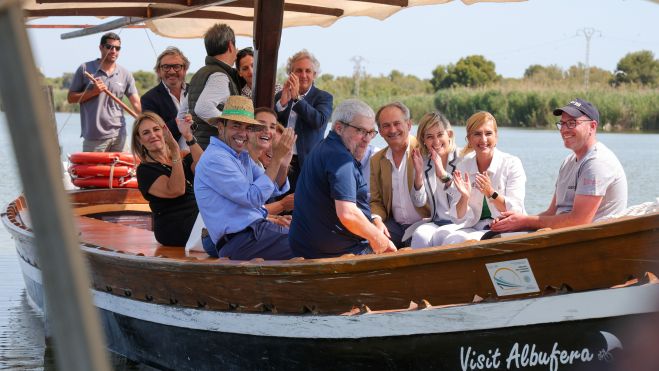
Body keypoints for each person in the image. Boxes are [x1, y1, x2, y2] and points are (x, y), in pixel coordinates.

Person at [490, 98, 627, 233]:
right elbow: (552, 212)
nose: (564, 130)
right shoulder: (568, 162)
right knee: (497, 234)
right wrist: (514, 221)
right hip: (565, 237)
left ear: (592, 126)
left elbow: (579, 221)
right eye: (562, 123)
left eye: (572, 123)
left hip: (592, 240)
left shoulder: (597, 163)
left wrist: (524, 222)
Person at [289, 99, 396, 259]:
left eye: (370, 133)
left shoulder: (323, 147)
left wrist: (373, 222)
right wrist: (378, 239)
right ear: (339, 127)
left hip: (306, 247)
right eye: (361, 131)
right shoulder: (340, 158)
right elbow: (348, 214)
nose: (367, 139)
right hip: (335, 254)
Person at [195, 96, 295, 260]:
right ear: (221, 128)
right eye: (236, 126)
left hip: (252, 236)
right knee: (309, 242)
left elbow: (274, 188)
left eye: (248, 127)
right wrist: (276, 158)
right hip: (242, 240)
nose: (242, 133)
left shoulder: (241, 156)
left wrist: (283, 164)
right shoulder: (216, 158)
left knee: (312, 237)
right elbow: (253, 197)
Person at [442, 111, 526, 244]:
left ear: (496, 137)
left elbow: (516, 210)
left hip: (505, 228)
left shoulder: (512, 163)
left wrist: (491, 193)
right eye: (477, 134)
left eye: (488, 133)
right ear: (469, 139)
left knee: (461, 242)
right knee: (449, 240)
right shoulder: (463, 166)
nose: (483, 140)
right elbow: (458, 218)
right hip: (474, 227)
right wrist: (464, 197)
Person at [131, 111, 202, 246]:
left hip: (198, 218)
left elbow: (206, 169)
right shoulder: (145, 170)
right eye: (146, 133)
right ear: (140, 140)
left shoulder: (183, 155)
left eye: (156, 129)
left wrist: (188, 136)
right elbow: (176, 190)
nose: (153, 135)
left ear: (164, 131)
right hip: (174, 226)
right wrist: (174, 150)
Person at [68, 32, 141, 152]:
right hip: (94, 136)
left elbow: (136, 103)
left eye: (117, 48)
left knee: (121, 170)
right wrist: (93, 92)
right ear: (101, 47)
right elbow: (71, 98)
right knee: (94, 171)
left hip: (119, 135)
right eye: (109, 47)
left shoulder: (125, 74)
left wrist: (147, 120)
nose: (113, 51)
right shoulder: (85, 68)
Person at [370, 102, 430, 248]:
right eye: (386, 126)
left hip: (426, 224)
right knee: (366, 239)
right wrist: (377, 222)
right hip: (394, 227)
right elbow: (375, 201)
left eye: (397, 123)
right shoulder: (376, 160)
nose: (392, 130)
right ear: (380, 131)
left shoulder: (426, 151)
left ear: (409, 125)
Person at [274, 49, 333, 192]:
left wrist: (297, 99)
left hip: (307, 163)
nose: (304, 75)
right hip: (280, 159)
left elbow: (318, 121)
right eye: (299, 71)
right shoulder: (280, 96)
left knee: (303, 205)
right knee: (281, 201)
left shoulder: (323, 97)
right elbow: (273, 125)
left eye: (308, 71)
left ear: (314, 75)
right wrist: (282, 104)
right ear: (291, 74)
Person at [409, 111, 463, 248]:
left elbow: (462, 196)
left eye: (440, 135)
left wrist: (443, 174)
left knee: (445, 237)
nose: (436, 141)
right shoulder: (425, 162)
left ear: (449, 134)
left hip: (461, 222)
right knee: (420, 235)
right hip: (436, 221)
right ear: (424, 141)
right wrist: (419, 174)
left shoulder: (463, 158)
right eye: (430, 137)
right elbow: (419, 202)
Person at [186, 23, 241, 149]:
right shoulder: (219, 76)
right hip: (214, 149)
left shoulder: (199, 74)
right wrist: (231, 127)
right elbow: (203, 108)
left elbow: (183, 112)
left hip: (199, 147)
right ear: (230, 46)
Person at [247, 107, 295, 218]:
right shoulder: (242, 160)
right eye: (270, 143)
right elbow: (247, 211)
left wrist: (283, 165)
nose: (273, 151)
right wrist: (282, 205)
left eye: (279, 147)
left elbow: (274, 189)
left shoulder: (259, 167)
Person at [141, 47, 191, 144]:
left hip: (201, 154)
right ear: (159, 71)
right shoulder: (149, 99)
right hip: (171, 156)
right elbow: (153, 134)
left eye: (176, 66)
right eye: (166, 67)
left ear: (185, 69)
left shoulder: (196, 92)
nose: (172, 71)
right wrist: (179, 122)